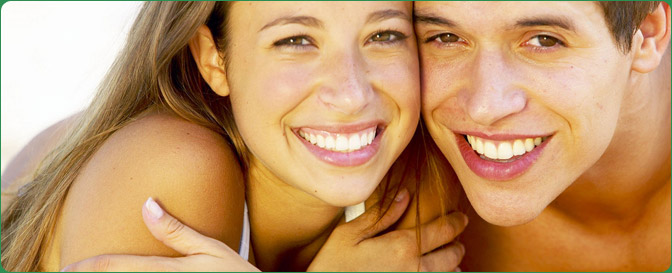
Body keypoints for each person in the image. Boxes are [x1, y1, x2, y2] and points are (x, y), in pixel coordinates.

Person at [1, 2, 467, 272]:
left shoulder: (414, 172)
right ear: (213, 60)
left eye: (384, 35)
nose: (350, 94)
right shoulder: (175, 166)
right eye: (295, 41)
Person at [414, 1, 671, 270]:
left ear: (646, 33)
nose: (484, 108)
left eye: (545, 40)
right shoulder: (387, 178)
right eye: (445, 38)